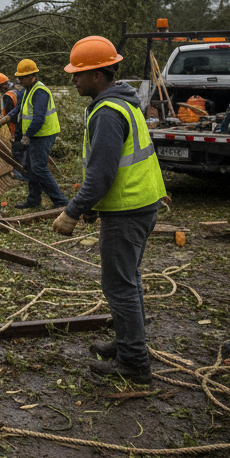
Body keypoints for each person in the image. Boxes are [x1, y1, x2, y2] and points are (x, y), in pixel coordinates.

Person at [52, 37, 167, 384]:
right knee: (126, 281)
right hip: (139, 204)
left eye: (79, 74)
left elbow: (102, 173)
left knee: (119, 285)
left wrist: (72, 212)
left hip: (127, 209)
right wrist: (92, 208)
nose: (73, 80)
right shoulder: (123, 102)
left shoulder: (107, 113)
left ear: (99, 76)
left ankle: (133, 362)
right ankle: (127, 344)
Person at [0, 59, 68, 212]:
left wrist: (26, 136)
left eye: (23, 78)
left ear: (32, 76)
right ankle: (33, 200)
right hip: (34, 134)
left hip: (44, 134)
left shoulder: (40, 91)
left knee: (39, 167)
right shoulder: (25, 90)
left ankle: (61, 201)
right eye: (19, 78)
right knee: (30, 167)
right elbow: (16, 110)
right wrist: (0, 122)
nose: (20, 81)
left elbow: (38, 118)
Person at [0, 72, 26, 180]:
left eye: (1, 87)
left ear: (5, 84)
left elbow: (11, 115)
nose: (1, 90)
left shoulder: (9, 95)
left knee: (17, 151)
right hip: (26, 124)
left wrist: (1, 123)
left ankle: (20, 174)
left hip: (17, 126)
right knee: (25, 150)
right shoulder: (20, 88)